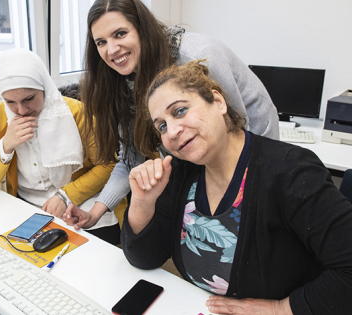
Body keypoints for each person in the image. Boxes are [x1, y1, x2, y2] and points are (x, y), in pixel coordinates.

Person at [121, 60, 352, 314]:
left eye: (179, 111)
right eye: (162, 126)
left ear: (218, 102)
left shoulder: (290, 171)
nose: (172, 131)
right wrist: (143, 202)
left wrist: (280, 309)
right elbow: (144, 258)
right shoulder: (181, 172)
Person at [63, 0, 279, 231]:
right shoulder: (125, 81)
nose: (112, 49)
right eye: (101, 42)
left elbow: (237, 131)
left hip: (255, 144)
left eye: (120, 33)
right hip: (203, 159)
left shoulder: (198, 55)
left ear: (142, 28)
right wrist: (95, 212)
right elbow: (130, 158)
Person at [0, 49, 126, 245]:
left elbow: (107, 166)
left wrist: (65, 196)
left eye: (29, 99)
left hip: (81, 199)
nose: (21, 110)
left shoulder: (76, 112)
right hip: (28, 205)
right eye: (10, 102)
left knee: (88, 252)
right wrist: (6, 144)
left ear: (44, 87)